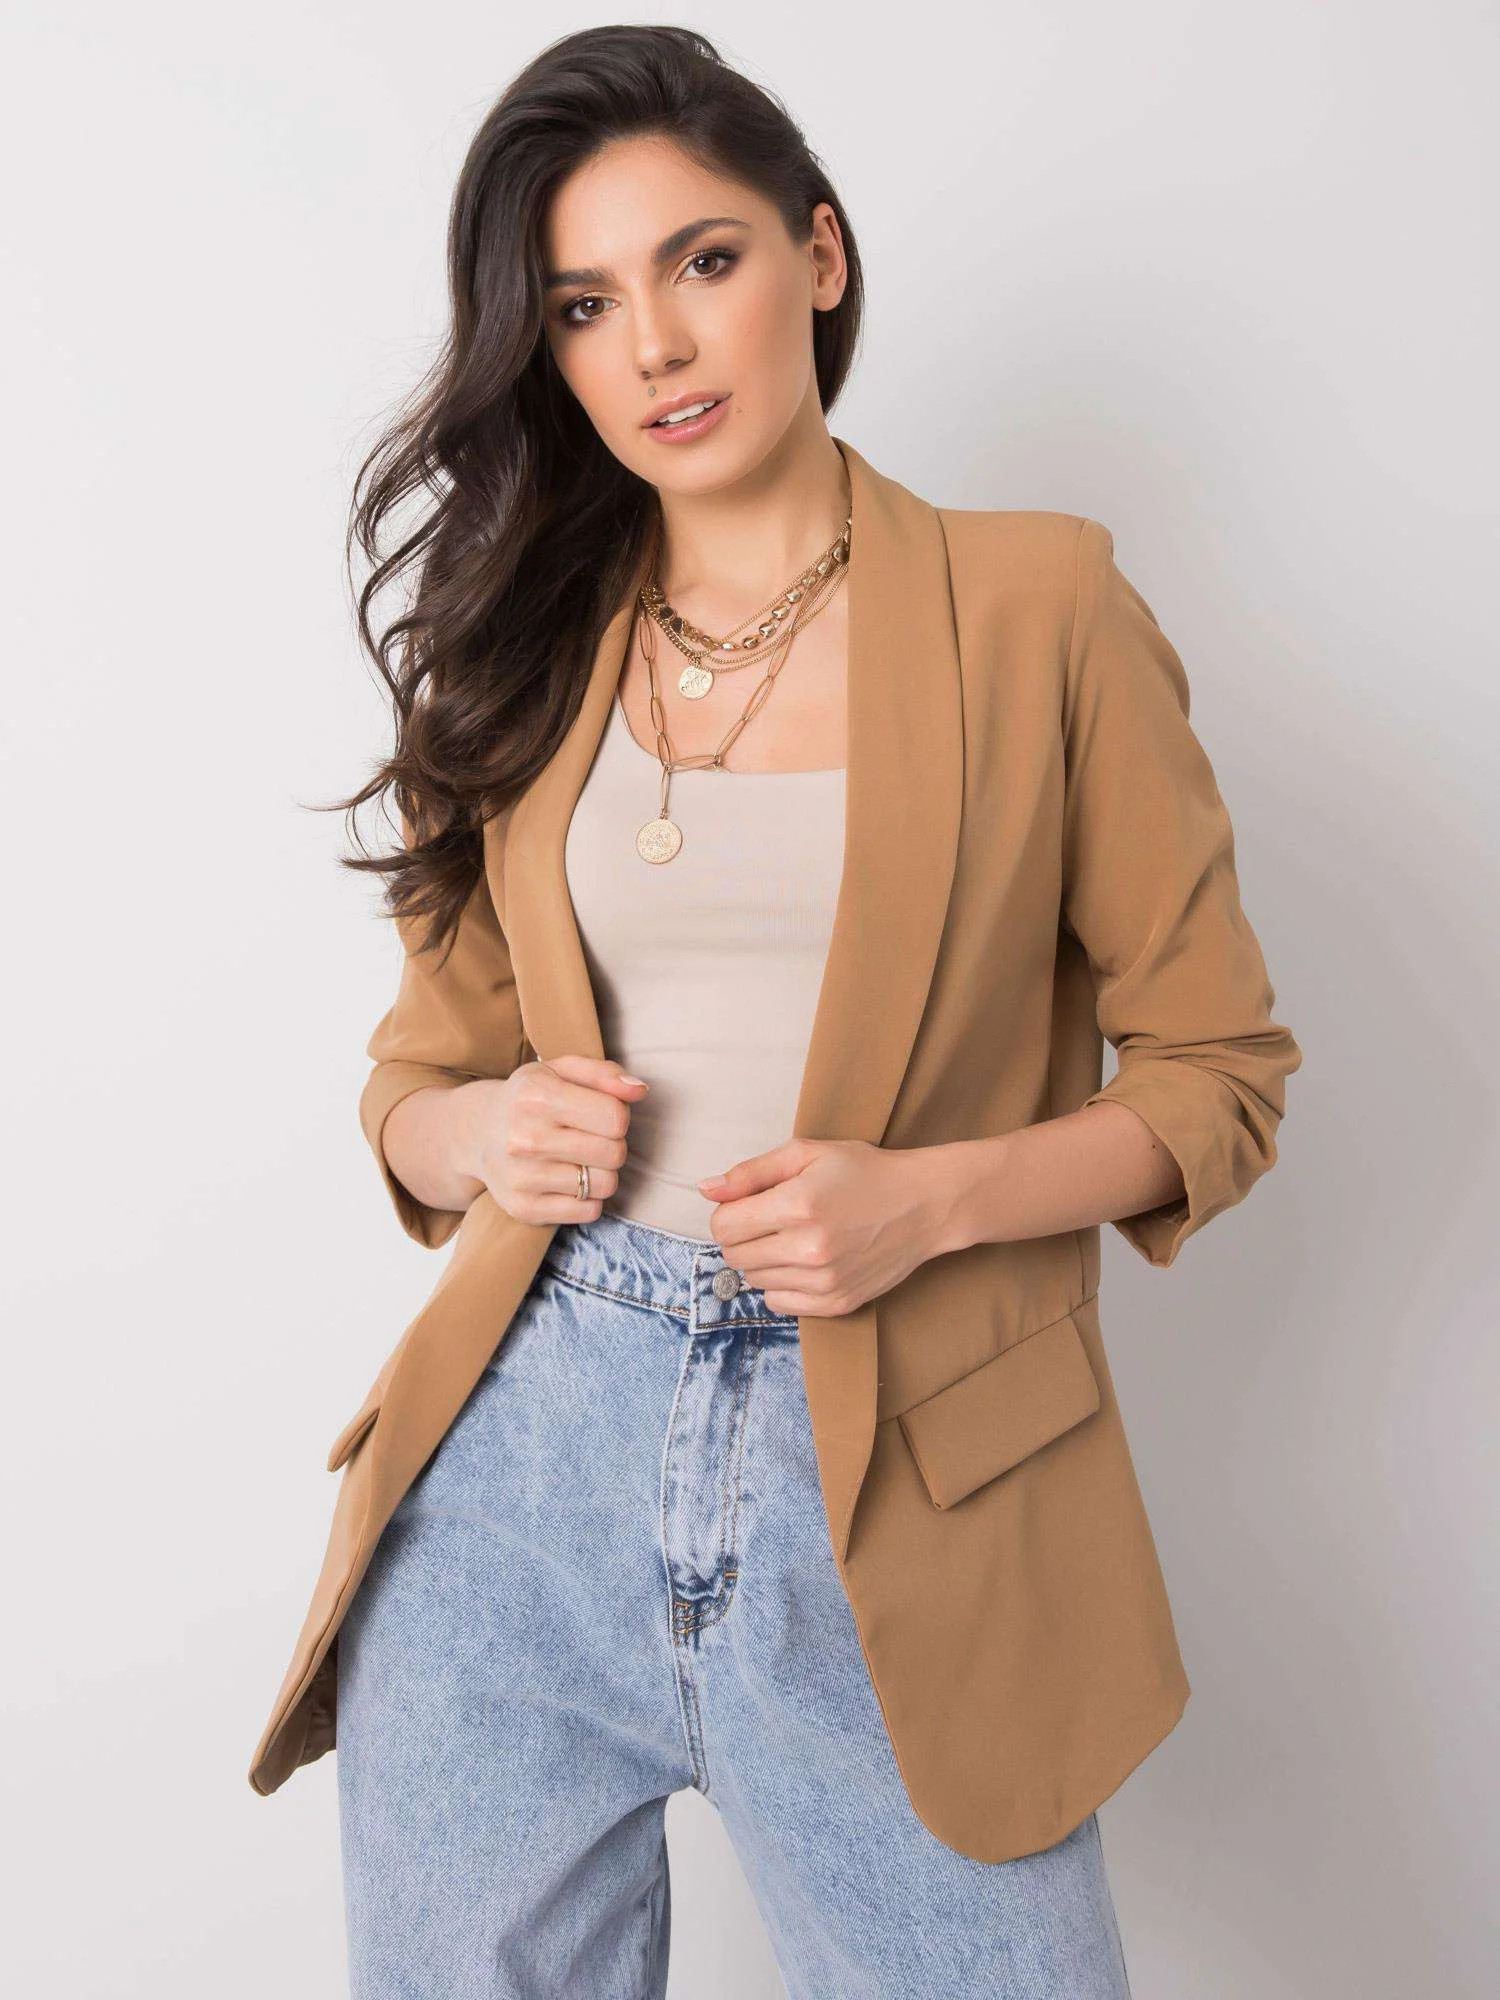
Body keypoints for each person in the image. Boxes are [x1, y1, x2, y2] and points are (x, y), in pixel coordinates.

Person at [248, 24, 1302, 1998]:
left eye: (703, 260)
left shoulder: (1040, 610)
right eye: (584, 305)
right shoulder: (523, 644)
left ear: (818, 255)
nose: (656, 343)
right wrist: (476, 1131)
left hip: (908, 1480)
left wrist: (932, 1199)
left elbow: (1218, 1077)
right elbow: (417, 1080)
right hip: (521, 1467)